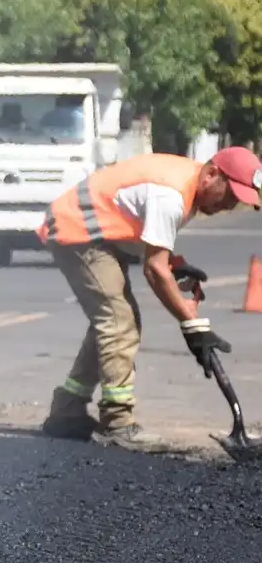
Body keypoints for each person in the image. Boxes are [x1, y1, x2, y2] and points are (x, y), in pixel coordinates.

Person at [39, 146, 262, 451]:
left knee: (112, 321)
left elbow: (151, 246)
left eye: (238, 201)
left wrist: (175, 264)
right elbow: (154, 270)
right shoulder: (171, 194)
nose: (228, 205)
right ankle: (118, 423)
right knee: (119, 321)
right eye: (230, 195)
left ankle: (67, 411)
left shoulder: (185, 185)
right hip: (78, 228)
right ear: (212, 174)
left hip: (97, 231)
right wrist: (193, 324)